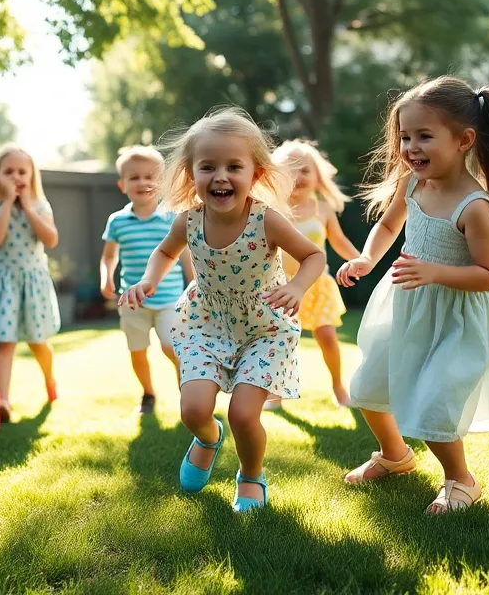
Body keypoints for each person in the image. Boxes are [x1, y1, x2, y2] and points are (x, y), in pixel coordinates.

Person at [337, 77, 489, 514]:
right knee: (368, 388)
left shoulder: (474, 206)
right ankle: (394, 456)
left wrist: (435, 272)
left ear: (464, 140)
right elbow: (389, 225)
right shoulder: (414, 185)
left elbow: (488, 275)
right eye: (405, 136)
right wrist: (368, 259)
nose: (410, 147)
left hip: (457, 317)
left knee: (434, 405)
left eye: (424, 136)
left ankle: (460, 480)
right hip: (409, 306)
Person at [120, 107, 325, 512]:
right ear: (189, 174)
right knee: (192, 408)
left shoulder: (268, 220)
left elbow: (314, 256)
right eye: (207, 166)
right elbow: (164, 251)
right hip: (207, 322)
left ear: (256, 174)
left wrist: (299, 287)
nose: (221, 176)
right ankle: (207, 437)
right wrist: (148, 280)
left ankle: (251, 476)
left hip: (263, 327)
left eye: (234, 166)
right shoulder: (188, 221)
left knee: (245, 415)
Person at [100, 145, 195, 414]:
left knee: (171, 347)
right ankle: (148, 394)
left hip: (170, 299)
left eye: (149, 176)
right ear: (122, 185)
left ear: (161, 182)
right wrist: (106, 277)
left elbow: (185, 255)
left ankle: (187, 395)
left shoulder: (171, 217)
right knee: (138, 351)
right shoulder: (117, 221)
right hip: (132, 301)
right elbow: (108, 256)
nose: (142, 182)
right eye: (134, 177)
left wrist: (195, 283)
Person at [268, 139, 360, 409]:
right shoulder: (272, 210)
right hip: (281, 288)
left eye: (304, 170)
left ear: (317, 175)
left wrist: (360, 259)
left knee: (327, 336)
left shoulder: (323, 209)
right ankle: (276, 391)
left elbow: (339, 241)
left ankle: (338, 387)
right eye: (291, 170)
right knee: (279, 341)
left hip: (317, 285)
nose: (298, 177)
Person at [0, 144, 60, 422]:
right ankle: (3, 399)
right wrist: (6, 204)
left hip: (33, 281)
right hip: (5, 284)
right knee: (5, 342)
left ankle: (50, 379)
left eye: (21, 172)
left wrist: (27, 206)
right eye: (8, 172)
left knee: (38, 341)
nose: (16, 177)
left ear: (31, 176)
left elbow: (50, 239)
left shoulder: (40, 205)